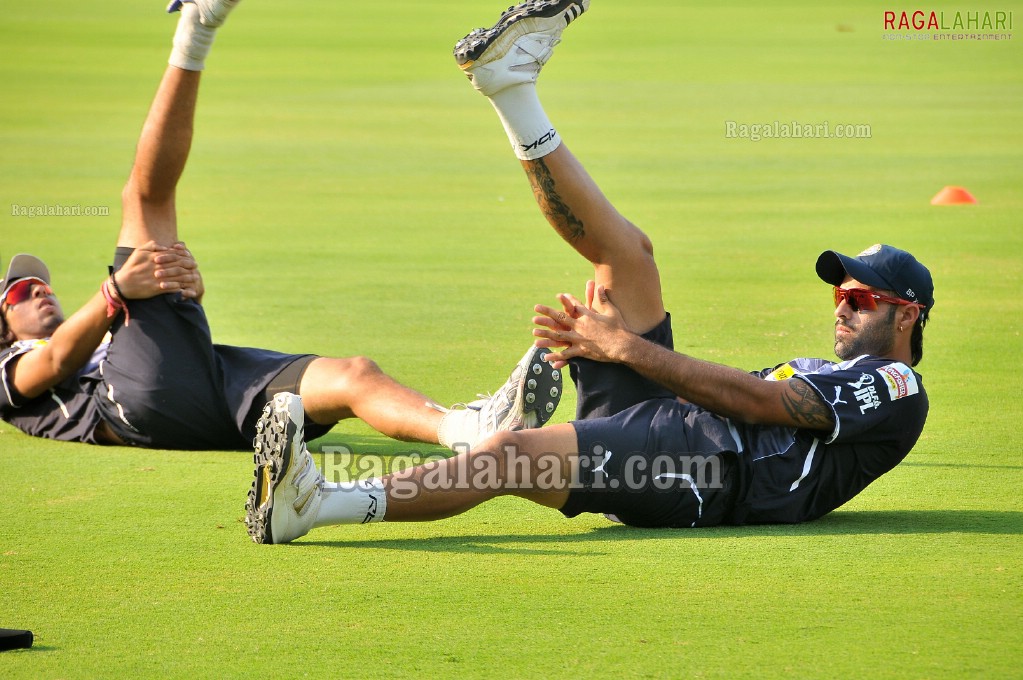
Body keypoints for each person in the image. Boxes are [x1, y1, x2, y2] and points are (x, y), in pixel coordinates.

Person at [245, 0, 935, 544]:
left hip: (708, 471)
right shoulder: (846, 370)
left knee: (509, 456)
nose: (840, 305)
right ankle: (510, 88)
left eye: (860, 296)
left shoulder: (897, 385)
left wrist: (624, 349)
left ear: (905, 315)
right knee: (628, 260)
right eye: (840, 293)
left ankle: (316, 504)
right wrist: (621, 347)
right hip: (684, 431)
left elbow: (761, 407)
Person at [0, 0, 562, 452]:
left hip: (203, 386)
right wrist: (118, 293)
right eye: (24, 291)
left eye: (43, 285)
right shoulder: (7, 369)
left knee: (353, 376)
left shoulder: (103, 335)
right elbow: (51, 363)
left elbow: (103, 343)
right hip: (135, 406)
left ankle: (469, 430)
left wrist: (174, 300)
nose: (41, 292)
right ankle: (196, 24)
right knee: (145, 202)